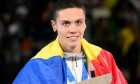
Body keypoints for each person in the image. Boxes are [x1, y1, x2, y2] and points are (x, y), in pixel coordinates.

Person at [13, 0, 127, 84]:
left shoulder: (104, 58)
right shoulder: (38, 66)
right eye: (66, 23)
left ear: (85, 24)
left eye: (78, 22)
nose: (73, 30)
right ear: (54, 25)